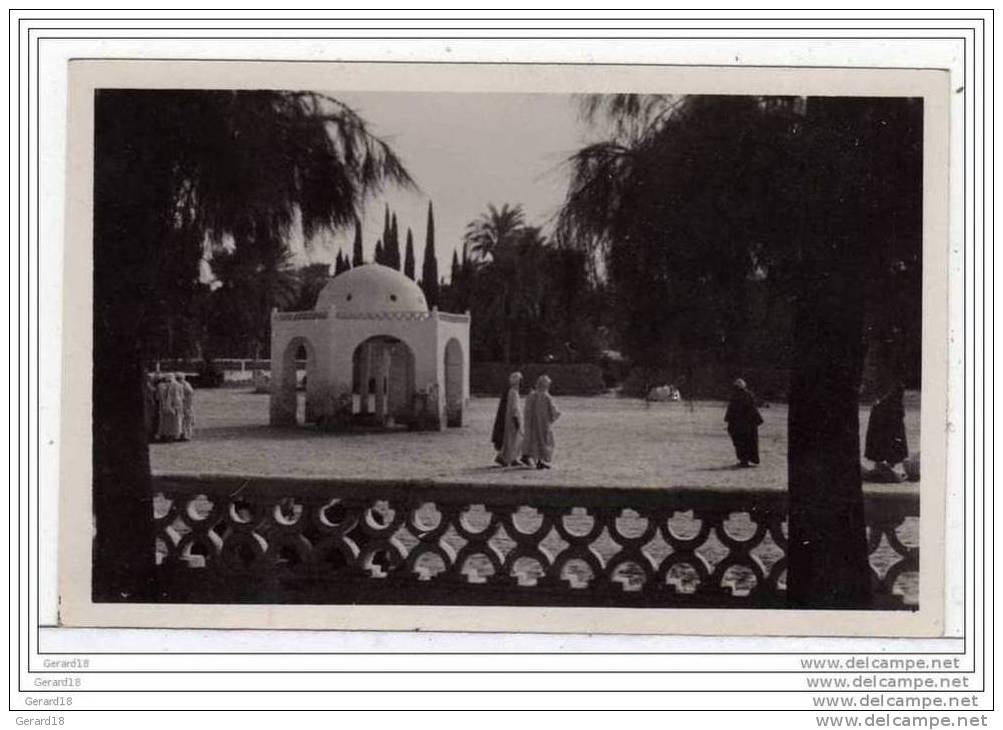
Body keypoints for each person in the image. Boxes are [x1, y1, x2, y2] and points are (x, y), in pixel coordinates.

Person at [521, 374, 562, 469]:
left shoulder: (532, 395)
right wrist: (556, 415)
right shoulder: (546, 396)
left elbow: (527, 410)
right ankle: (541, 460)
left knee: (535, 441)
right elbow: (554, 410)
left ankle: (532, 457)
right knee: (545, 442)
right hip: (544, 424)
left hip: (533, 424)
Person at [864, 383, 908, 469]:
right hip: (888, 427)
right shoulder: (893, 403)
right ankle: (888, 462)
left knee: (886, 443)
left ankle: (883, 462)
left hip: (885, 427)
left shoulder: (884, 405)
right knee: (891, 442)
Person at [724, 378, 763, 467]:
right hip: (748, 424)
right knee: (748, 442)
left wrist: (729, 421)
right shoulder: (748, 395)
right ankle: (748, 459)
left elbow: (732, 410)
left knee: (740, 442)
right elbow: (753, 409)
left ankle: (744, 460)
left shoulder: (736, 396)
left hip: (740, 425)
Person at [492, 372, 524, 466]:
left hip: (513, 418)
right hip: (512, 419)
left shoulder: (513, 391)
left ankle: (513, 458)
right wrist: (516, 419)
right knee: (511, 439)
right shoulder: (512, 392)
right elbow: (514, 407)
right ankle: (503, 457)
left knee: (516, 439)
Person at [156, 373, 184, 441]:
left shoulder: (161, 386)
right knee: (176, 420)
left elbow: (157, 397)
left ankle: (167, 435)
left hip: (165, 406)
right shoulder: (179, 385)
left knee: (166, 421)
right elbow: (182, 396)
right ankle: (175, 435)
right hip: (176, 404)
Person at [179, 373, 196, 441]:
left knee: (186, 420)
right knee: (184, 420)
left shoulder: (184, 385)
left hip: (186, 405)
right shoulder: (185, 384)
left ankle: (186, 435)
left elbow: (189, 394)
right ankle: (184, 434)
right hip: (185, 405)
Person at [143, 373, 159, 443]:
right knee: (149, 421)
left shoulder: (148, 385)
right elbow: (153, 391)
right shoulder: (148, 385)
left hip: (149, 404)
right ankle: (150, 435)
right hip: (149, 405)